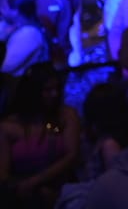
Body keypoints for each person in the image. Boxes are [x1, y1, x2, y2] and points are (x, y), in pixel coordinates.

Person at [0, 64, 80, 209]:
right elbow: (3, 173)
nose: (54, 94)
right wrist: (27, 187)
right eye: (47, 90)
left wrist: (36, 181)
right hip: (23, 194)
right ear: (33, 92)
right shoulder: (8, 126)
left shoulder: (67, 115)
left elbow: (71, 155)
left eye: (56, 88)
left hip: (63, 190)